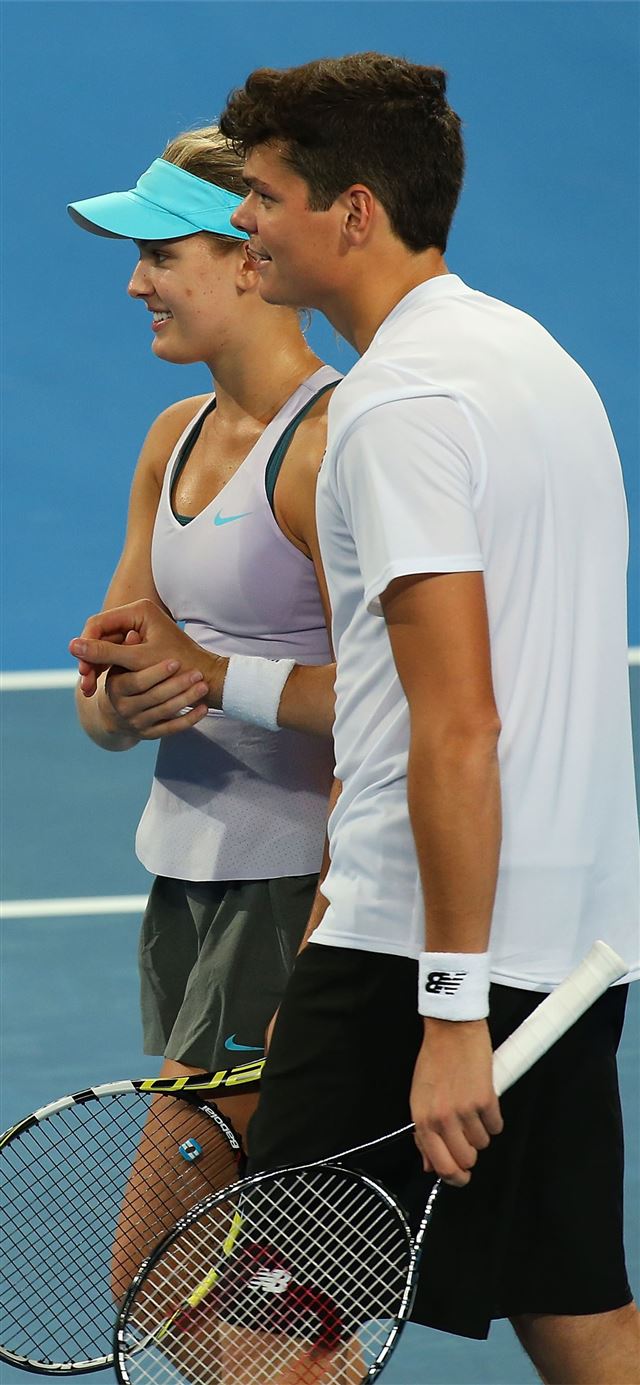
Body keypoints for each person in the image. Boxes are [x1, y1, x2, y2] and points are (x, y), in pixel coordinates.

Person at [191, 52, 640, 1381]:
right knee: (574, 1306)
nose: (244, 223)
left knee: (257, 1334)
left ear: (354, 212)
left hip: (425, 947)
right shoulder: (535, 360)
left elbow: (456, 723)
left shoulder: (395, 407)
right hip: (570, 942)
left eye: (265, 196)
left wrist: (447, 1010)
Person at [67, 125, 341, 1171]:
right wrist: (120, 704)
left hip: (290, 879)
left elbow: (398, 699)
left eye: (161, 256)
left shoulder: (331, 445)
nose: (137, 283)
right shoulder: (170, 435)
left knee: (166, 1239)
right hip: (188, 874)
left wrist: (326, 931)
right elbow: (105, 693)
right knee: (247, 1241)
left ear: (247, 258)